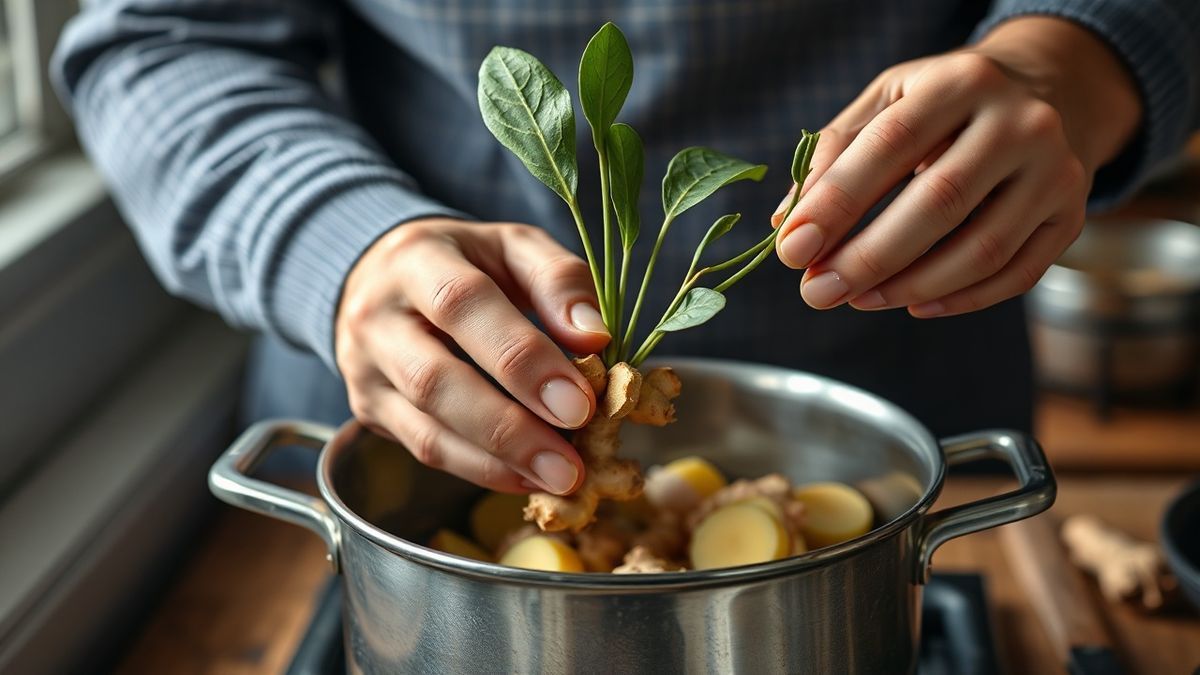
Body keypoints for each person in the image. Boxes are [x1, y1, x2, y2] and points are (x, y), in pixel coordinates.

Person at [54, 2, 1198, 497]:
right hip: (414, 428)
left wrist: (1073, 64)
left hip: (904, 410)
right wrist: (339, 243)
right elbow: (159, 36)